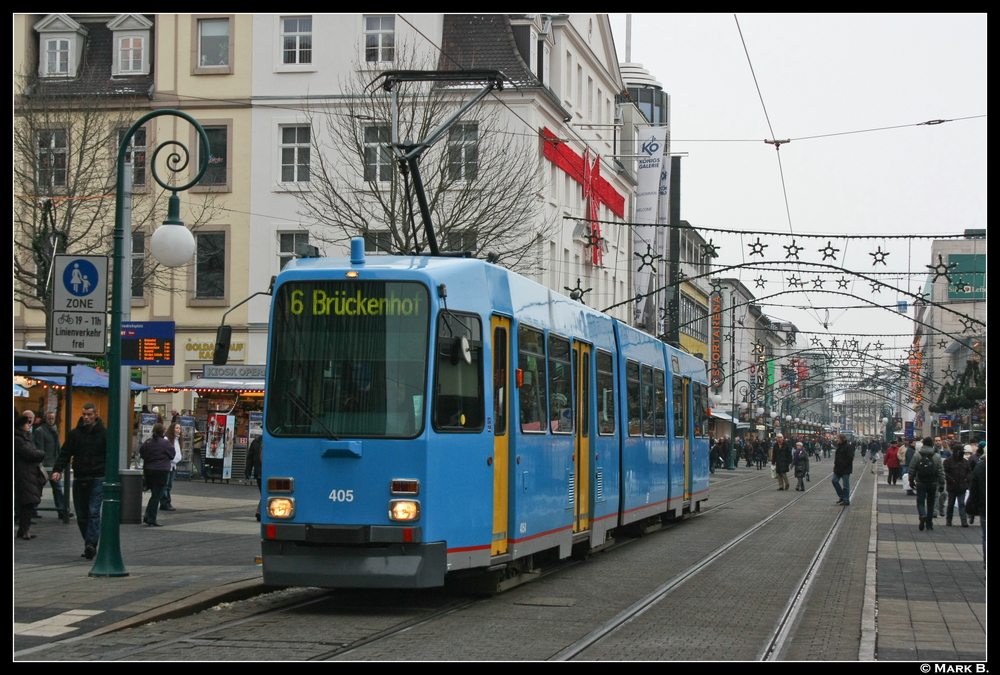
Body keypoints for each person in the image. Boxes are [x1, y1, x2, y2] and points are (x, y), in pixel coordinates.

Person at [51, 403, 107, 559]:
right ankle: (89, 542)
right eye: (84, 414)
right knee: (81, 515)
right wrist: (57, 469)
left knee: (93, 512)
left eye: (89, 414)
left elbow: (110, 456)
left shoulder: (104, 434)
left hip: (97, 477)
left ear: (95, 415)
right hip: (80, 477)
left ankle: (90, 544)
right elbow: (65, 453)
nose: (86, 417)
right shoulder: (75, 434)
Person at [15, 415, 47, 540]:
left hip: (28, 473)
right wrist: (41, 453)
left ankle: (24, 529)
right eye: (27, 423)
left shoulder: (24, 438)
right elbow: (31, 453)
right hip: (24, 474)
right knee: (27, 502)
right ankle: (24, 530)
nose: (29, 425)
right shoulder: (18, 439)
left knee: (28, 502)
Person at [139, 423, 175, 527]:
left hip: (149, 470)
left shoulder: (148, 442)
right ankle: (151, 517)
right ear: (163, 432)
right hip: (161, 471)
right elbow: (172, 455)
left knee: (154, 494)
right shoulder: (165, 443)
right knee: (157, 495)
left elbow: (142, 453)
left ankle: (147, 515)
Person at [908, 436, 946, 531]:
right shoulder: (936, 456)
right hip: (933, 482)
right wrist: (942, 483)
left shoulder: (917, 454)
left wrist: (911, 480)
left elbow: (912, 468)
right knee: (931, 503)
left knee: (920, 501)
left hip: (920, 481)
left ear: (923, 444)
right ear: (932, 444)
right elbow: (940, 470)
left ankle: (922, 515)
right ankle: (929, 523)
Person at [965, 447, 985, 568]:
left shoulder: (980, 467)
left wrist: (973, 506)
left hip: (984, 507)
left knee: (985, 537)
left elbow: (973, 489)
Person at [943, 443, 972, 527]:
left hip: (962, 486)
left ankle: (964, 521)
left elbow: (969, 472)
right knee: (950, 504)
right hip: (952, 486)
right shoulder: (948, 461)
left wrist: (967, 479)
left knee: (962, 504)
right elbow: (945, 472)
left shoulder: (965, 462)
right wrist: (951, 479)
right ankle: (949, 520)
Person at [160, 422, 182, 512]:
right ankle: (165, 502)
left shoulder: (177, 439)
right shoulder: (167, 439)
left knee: (169, 485)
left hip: (173, 465)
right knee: (165, 485)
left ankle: (166, 502)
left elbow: (177, 451)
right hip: (167, 465)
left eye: (179, 428)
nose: (178, 430)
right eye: (176, 428)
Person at [832, 433, 854, 506]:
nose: (837, 440)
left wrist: (844, 464)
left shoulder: (848, 446)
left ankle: (846, 499)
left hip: (845, 469)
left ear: (841, 439)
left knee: (846, 485)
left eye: (838, 438)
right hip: (838, 468)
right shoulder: (839, 446)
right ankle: (842, 496)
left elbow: (850, 457)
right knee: (834, 481)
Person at [246, 434, 263, 521]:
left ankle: (260, 512)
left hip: (267, 472)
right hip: (259, 473)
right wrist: (248, 470)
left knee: (264, 493)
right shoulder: (256, 442)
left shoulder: (257, 442)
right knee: (264, 493)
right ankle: (260, 512)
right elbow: (250, 457)